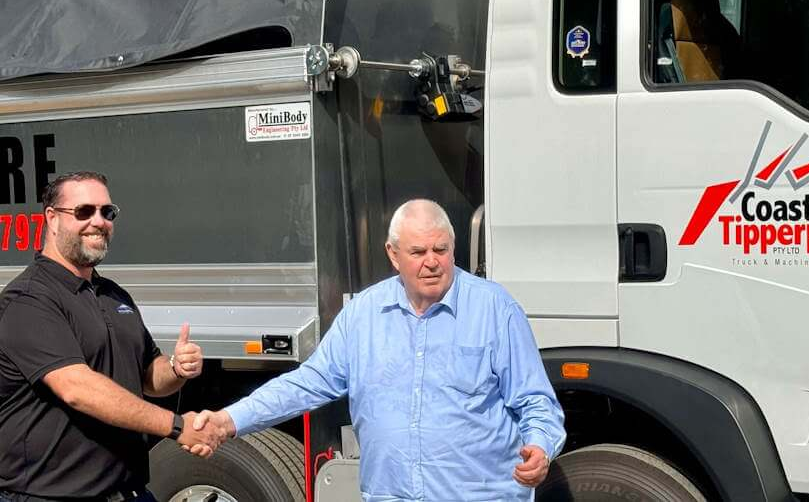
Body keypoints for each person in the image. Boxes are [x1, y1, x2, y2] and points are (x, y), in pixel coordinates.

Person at [191, 199, 566, 500]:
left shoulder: (495, 310)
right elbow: (307, 384)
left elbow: (537, 401)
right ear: (393, 254)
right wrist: (230, 420)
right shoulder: (364, 314)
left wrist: (539, 446)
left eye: (441, 249)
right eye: (418, 251)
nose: (432, 261)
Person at [0, 171, 226, 502]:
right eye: (84, 211)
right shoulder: (29, 300)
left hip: (128, 492)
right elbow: (77, 388)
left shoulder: (114, 296)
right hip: (49, 495)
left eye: (107, 212)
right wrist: (178, 426)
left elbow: (150, 376)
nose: (99, 221)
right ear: (51, 218)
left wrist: (177, 368)